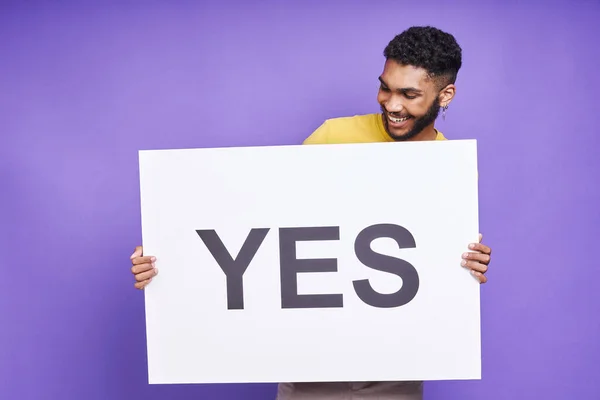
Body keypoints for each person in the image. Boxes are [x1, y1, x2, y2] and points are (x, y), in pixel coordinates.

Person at [129, 26, 492, 400]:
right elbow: (263, 229)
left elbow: (428, 269)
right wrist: (169, 260)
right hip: (310, 369)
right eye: (386, 87)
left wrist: (466, 269)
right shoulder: (332, 136)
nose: (392, 104)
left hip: (394, 373)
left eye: (409, 94)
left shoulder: (452, 169)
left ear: (445, 94)